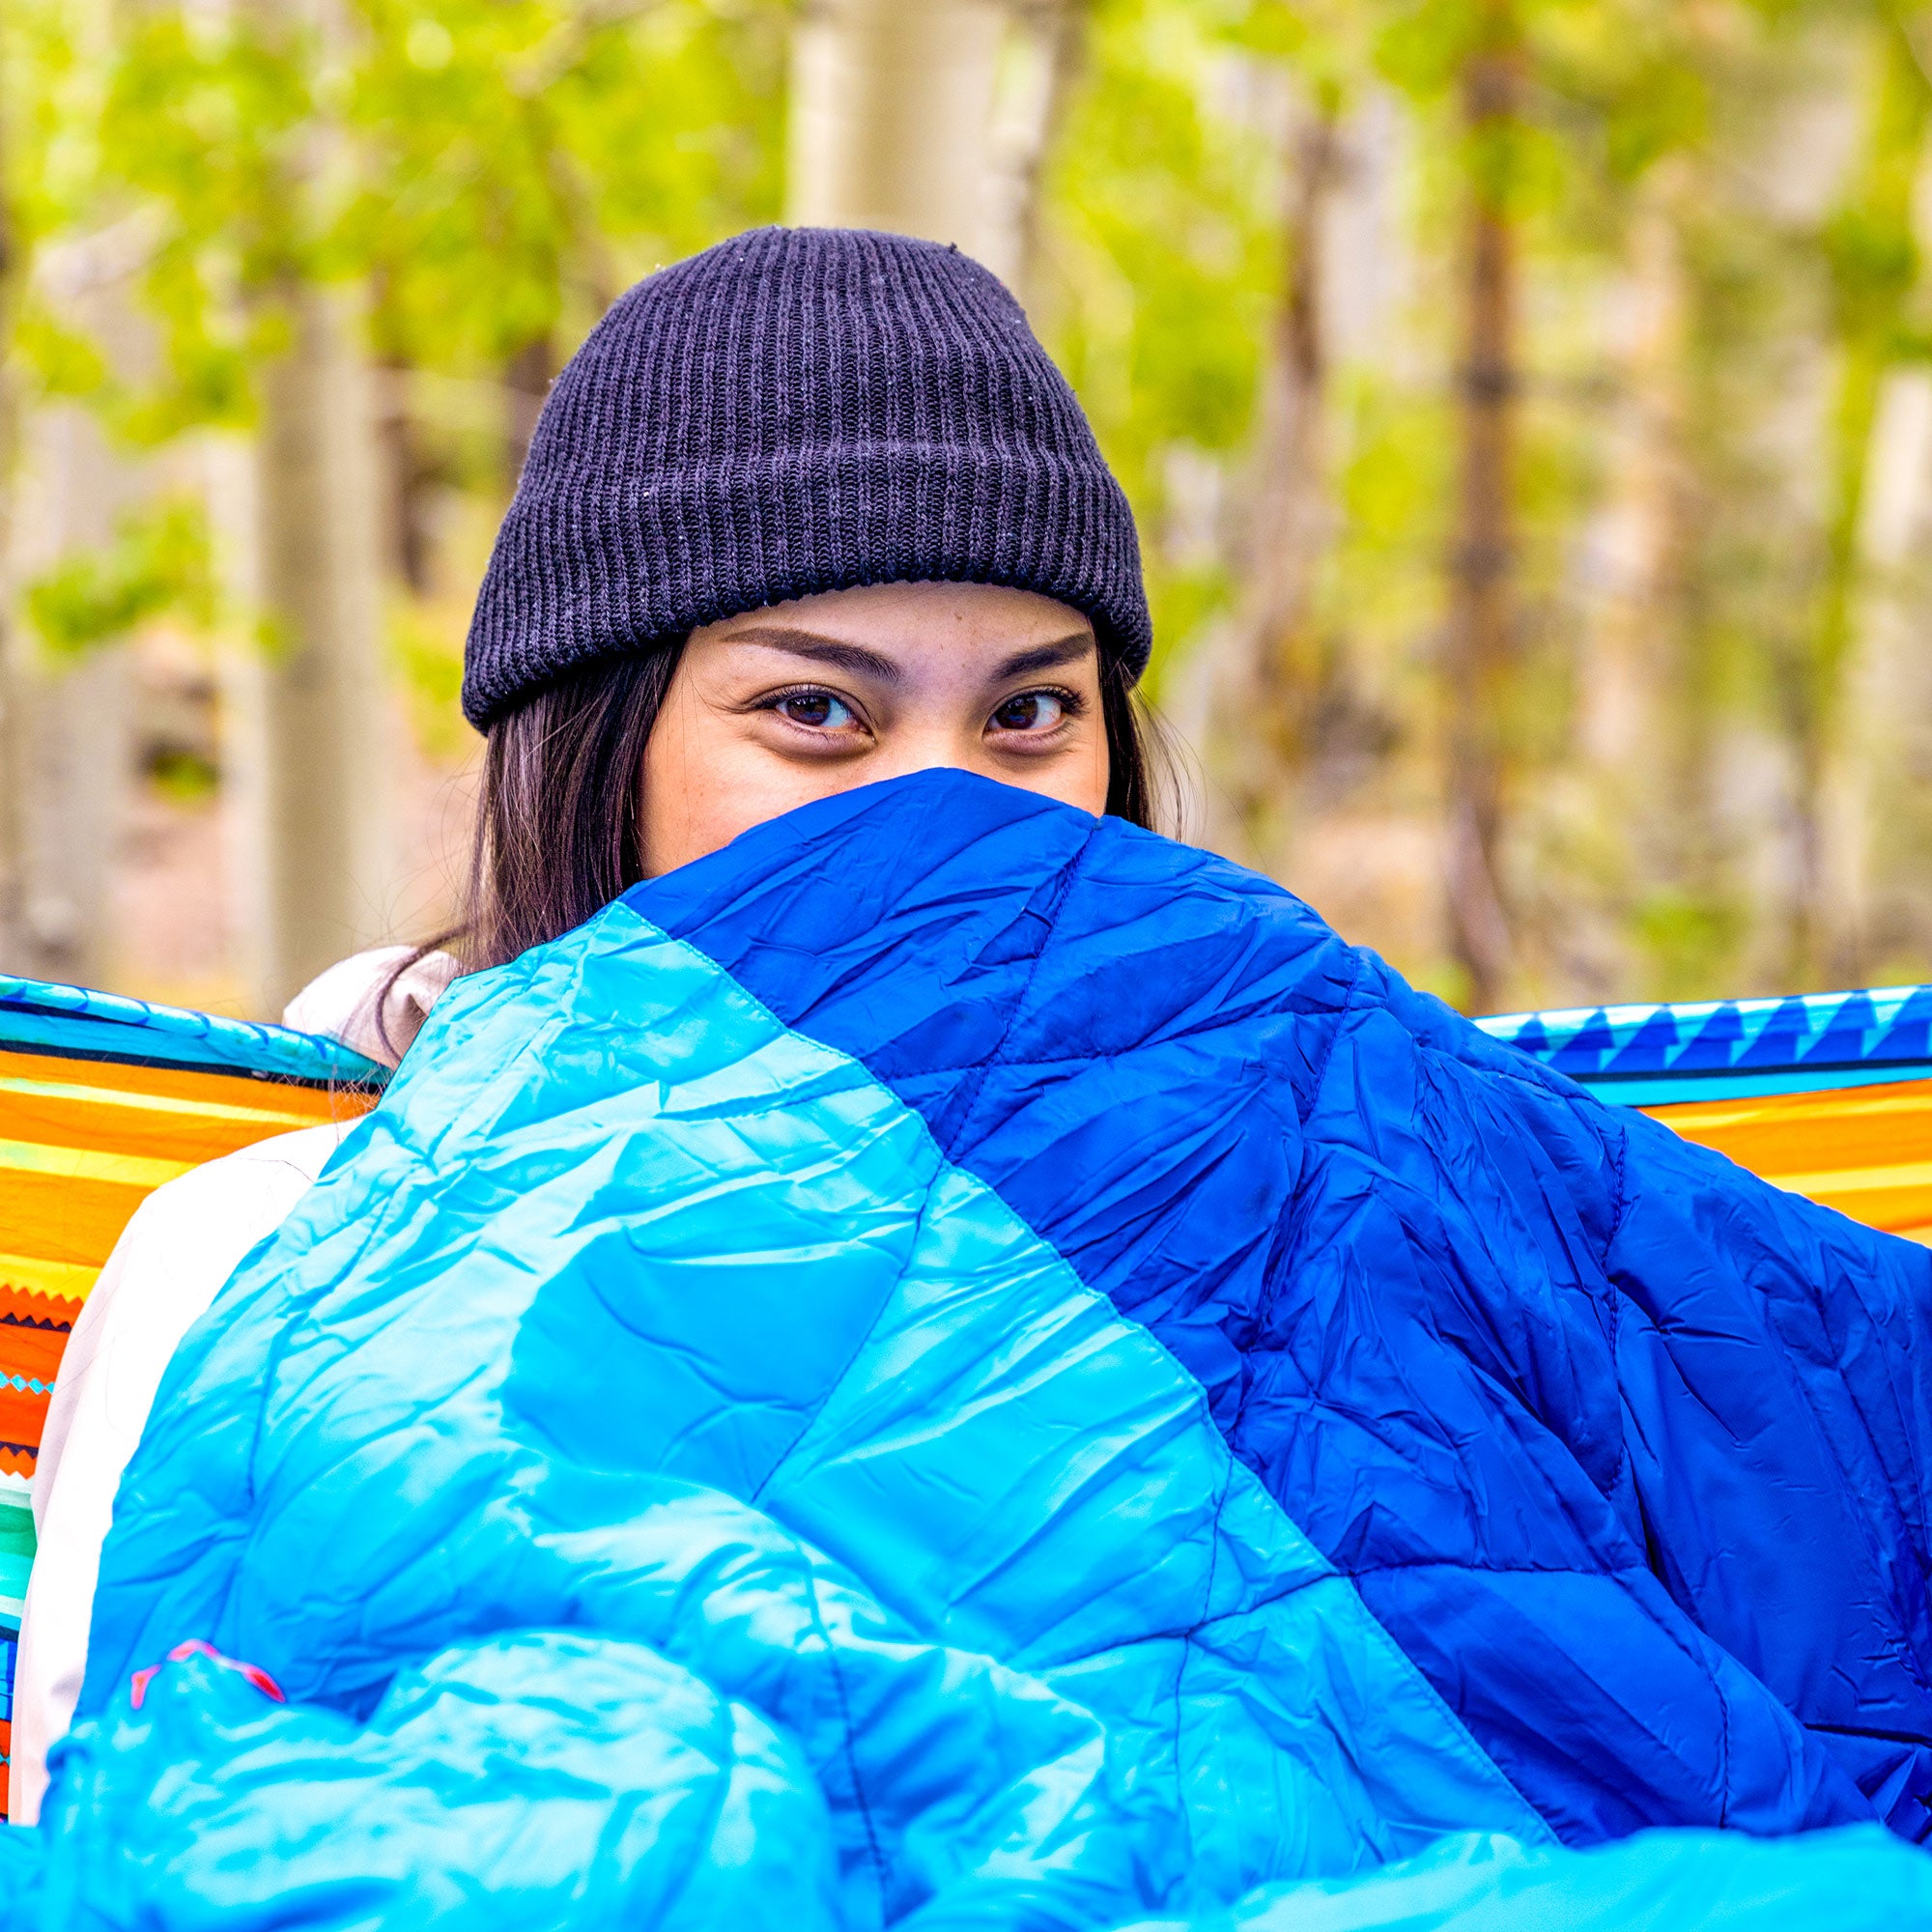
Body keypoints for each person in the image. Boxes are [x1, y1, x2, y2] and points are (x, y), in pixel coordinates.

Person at [9, 227, 1932, 1931]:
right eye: (815, 713)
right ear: (595, 746)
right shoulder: (277, 1244)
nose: (944, 811)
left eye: (1029, 711)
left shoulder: (1309, 1122)